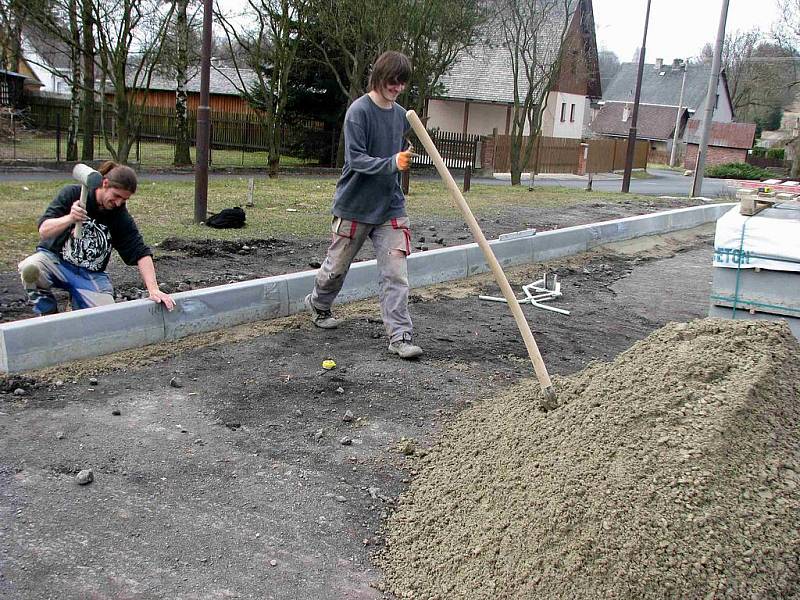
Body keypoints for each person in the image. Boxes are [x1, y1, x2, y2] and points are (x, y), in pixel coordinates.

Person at [305, 50, 422, 359]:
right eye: (392, 81)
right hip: (355, 205)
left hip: (390, 208)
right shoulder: (359, 111)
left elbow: (395, 155)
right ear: (379, 77)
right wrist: (392, 162)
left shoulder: (400, 115)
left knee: (396, 273)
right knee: (336, 268)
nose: (397, 88)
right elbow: (356, 159)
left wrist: (404, 155)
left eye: (402, 84)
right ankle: (318, 303)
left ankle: (400, 336)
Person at [18, 161, 175, 315]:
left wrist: (153, 289)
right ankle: (48, 314)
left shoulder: (119, 216)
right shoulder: (72, 194)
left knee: (104, 318)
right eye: (117, 196)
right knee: (30, 268)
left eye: (124, 200)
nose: (119, 202)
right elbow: (44, 230)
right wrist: (70, 218)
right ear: (105, 183)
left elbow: (140, 252)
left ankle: (77, 305)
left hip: (90, 274)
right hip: (56, 262)